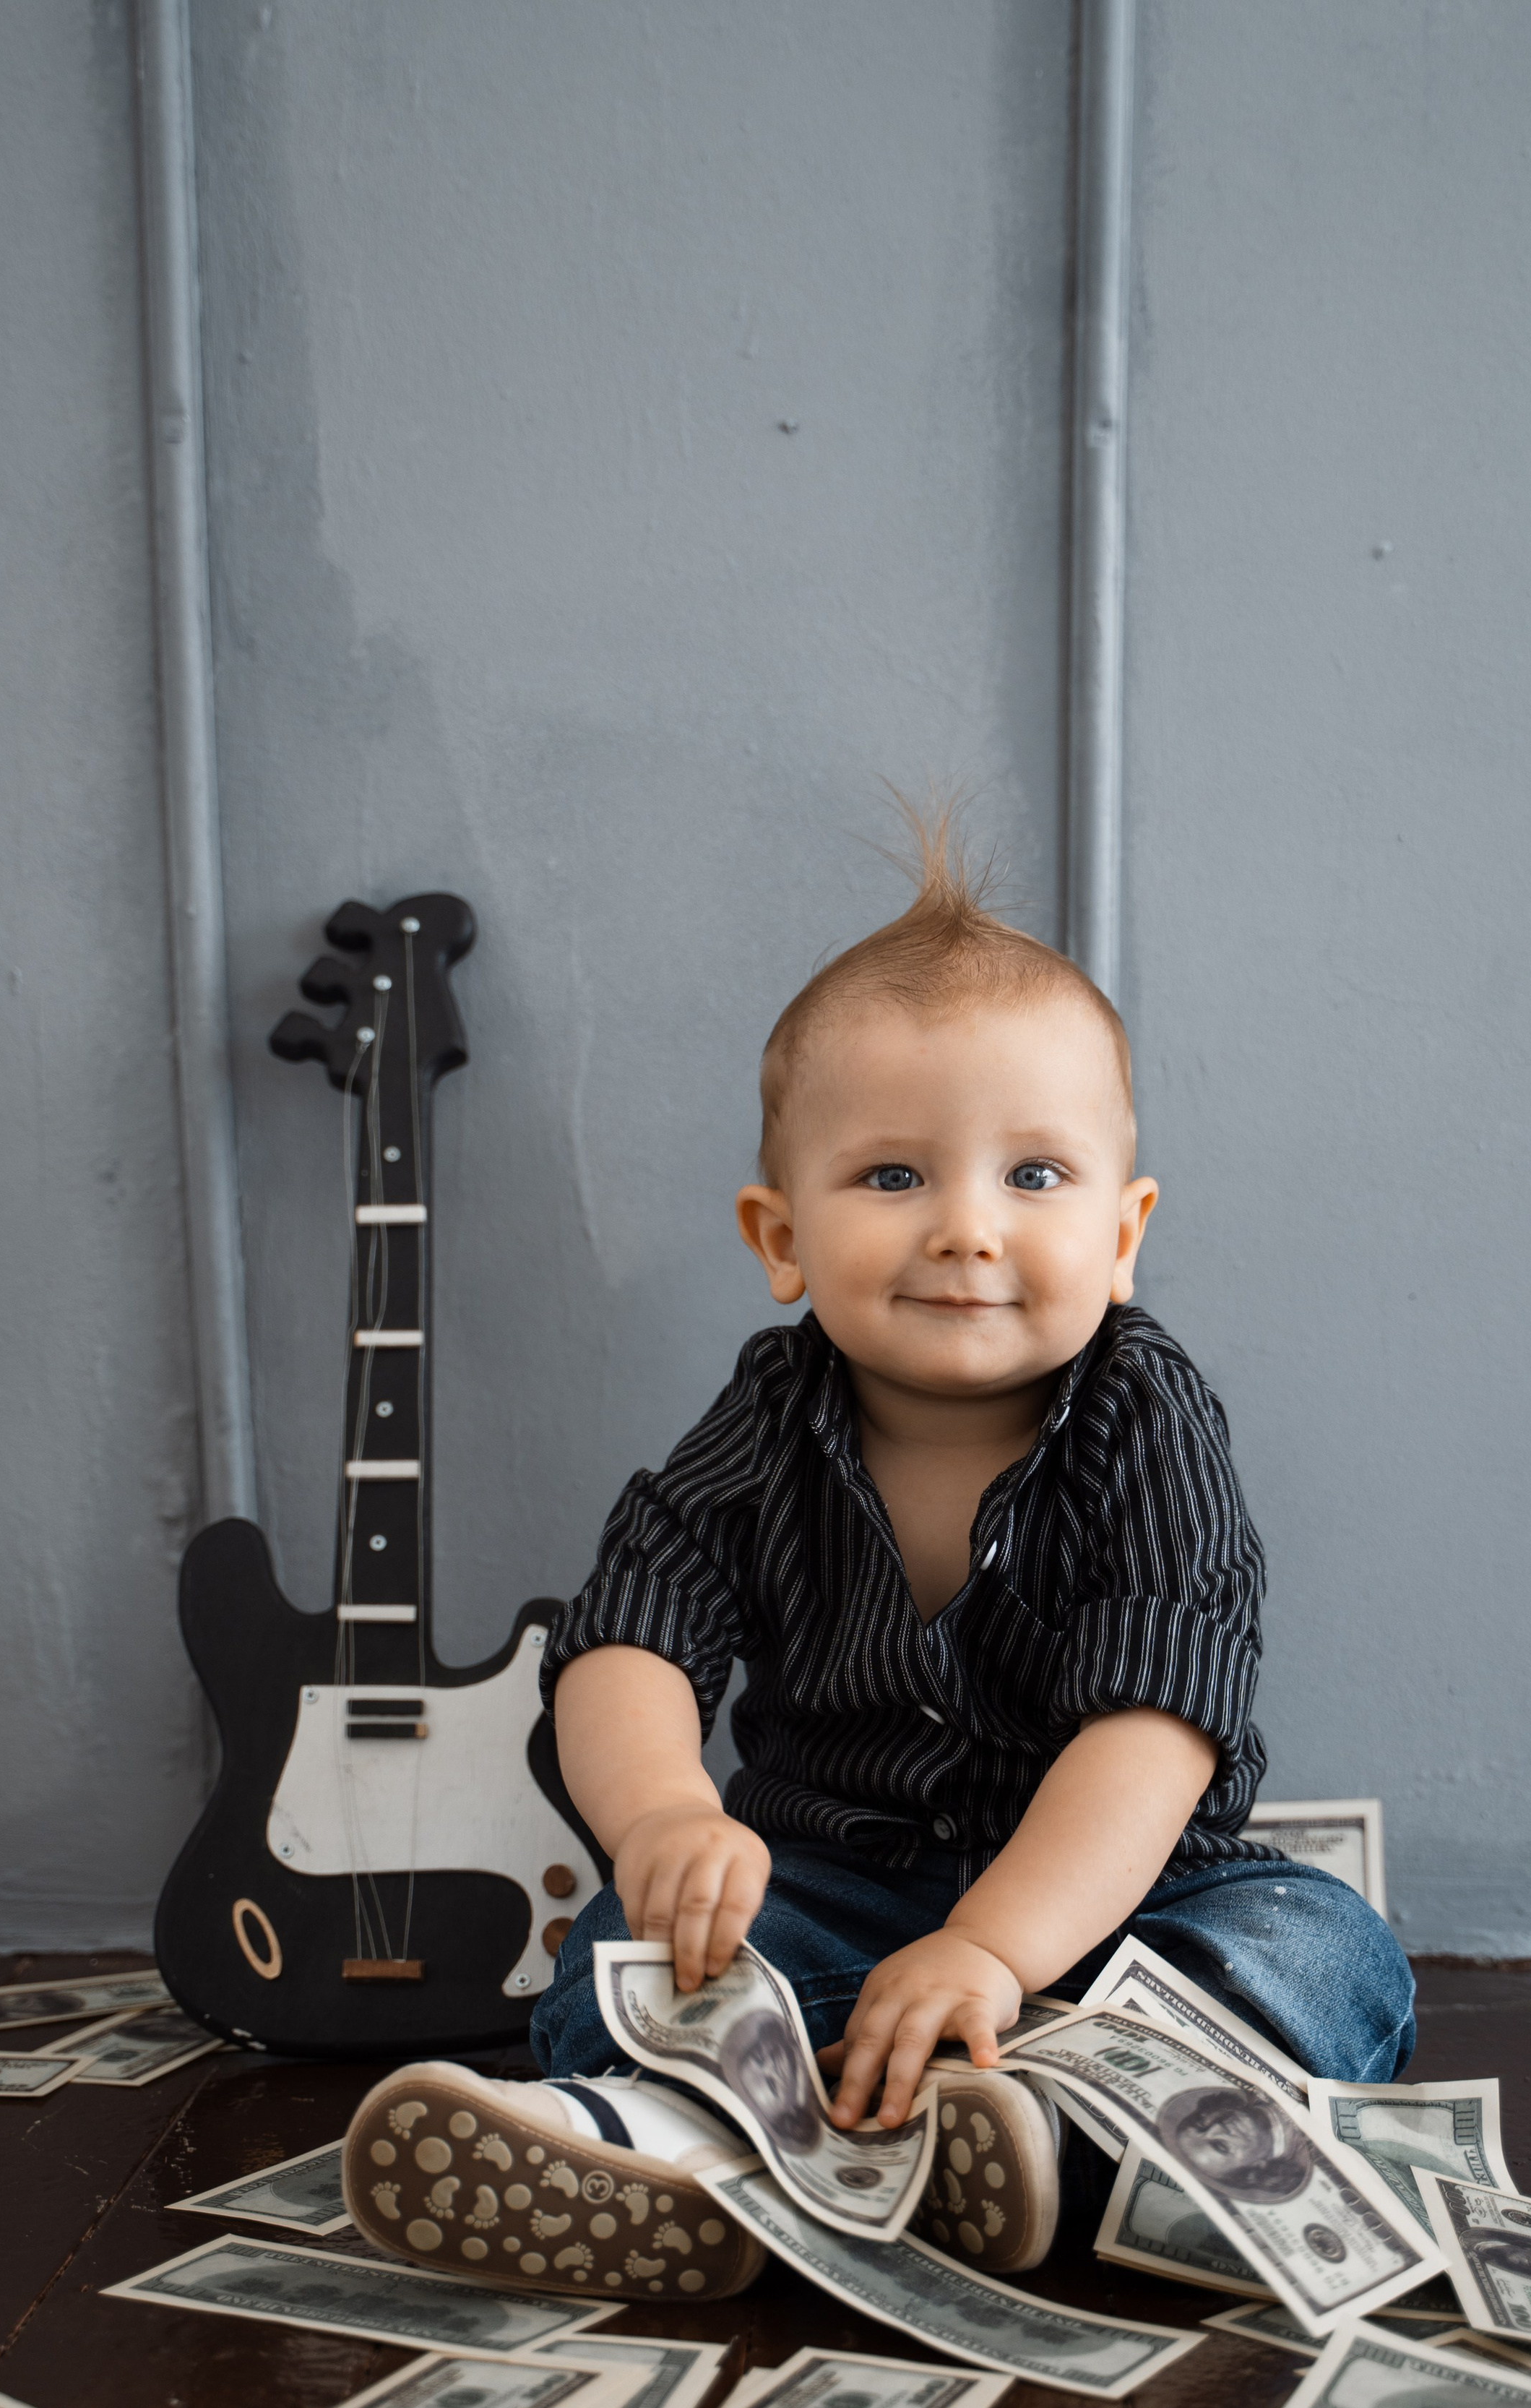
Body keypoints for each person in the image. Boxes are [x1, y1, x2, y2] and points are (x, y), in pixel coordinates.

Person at [342, 811, 1415, 2302]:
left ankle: (1050, 2129)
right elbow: (629, 1634)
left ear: (1123, 1233)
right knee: (619, 1951)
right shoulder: (770, 1416)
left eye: (1034, 1177)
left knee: (1322, 1947)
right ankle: (663, 2141)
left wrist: (992, 1949)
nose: (967, 1229)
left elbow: (1150, 1734)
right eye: (894, 1178)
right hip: (834, 1884)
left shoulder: (1143, 1418)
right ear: (779, 1235)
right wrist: (658, 1820)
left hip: (1109, 1908)